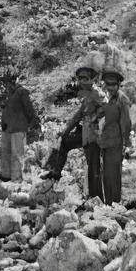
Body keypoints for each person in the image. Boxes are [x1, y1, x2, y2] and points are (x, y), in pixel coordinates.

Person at [55, 65, 105, 198]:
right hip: (85, 133)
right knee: (66, 142)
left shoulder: (97, 94)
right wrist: (66, 130)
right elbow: (79, 115)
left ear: (92, 79)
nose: (82, 81)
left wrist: (96, 117)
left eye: (85, 78)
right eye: (80, 78)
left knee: (94, 166)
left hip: (95, 135)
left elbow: (108, 108)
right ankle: (56, 173)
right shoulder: (87, 95)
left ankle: (97, 198)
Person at [98, 67, 132, 205]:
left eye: (113, 84)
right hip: (106, 140)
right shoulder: (109, 98)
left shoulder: (122, 100)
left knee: (113, 174)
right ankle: (108, 202)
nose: (110, 87)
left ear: (118, 84)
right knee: (107, 173)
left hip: (116, 141)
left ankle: (114, 203)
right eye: (108, 84)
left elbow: (126, 122)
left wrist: (126, 143)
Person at [0, 71, 39, 182]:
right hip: (7, 128)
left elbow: (29, 108)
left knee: (17, 154)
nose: (7, 85)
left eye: (8, 82)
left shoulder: (21, 92)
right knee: (5, 152)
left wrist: (32, 123)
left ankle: (16, 178)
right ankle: (5, 176)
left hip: (18, 127)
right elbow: (6, 111)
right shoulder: (9, 94)